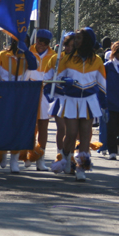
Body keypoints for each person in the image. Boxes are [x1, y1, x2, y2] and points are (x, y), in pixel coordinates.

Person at [51, 28, 106, 182]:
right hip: (70, 100)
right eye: (75, 38)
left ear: (87, 40)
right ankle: (65, 158)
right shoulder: (66, 59)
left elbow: (102, 84)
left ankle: (81, 168)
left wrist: (104, 104)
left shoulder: (97, 61)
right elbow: (56, 80)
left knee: (85, 135)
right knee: (70, 133)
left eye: (79, 38)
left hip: (88, 101)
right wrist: (64, 84)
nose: (75, 41)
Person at [0, 37, 37, 173]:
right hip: (3, 98)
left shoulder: (28, 57)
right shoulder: (2, 55)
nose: (22, 44)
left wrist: (26, 52)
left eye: (25, 42)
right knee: (3, 127)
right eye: (19, 41)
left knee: (17, 128)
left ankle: (14, 159)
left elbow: (34, 66)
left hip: (20, 98)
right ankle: (3, 154)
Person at [24, 30, 57, 171]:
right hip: (29, 92)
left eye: (45, 42)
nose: (41, 44)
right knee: (30, 127)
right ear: (35, 40)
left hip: (45, 93)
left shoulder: (54, 56)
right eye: (39, 41)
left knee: (43, 125)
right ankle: (27, 154)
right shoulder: (28, 52)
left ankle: (40, 158)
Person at [45, 32, 75, 164]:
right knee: (61, 127)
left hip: (74, 98)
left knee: (72, 131)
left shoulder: (79, 59)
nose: (68, 48)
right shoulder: (56, 58)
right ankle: (60, 153)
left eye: (72, 45)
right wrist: (53, 87)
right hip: (59, 97)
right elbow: (47, 78)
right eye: (66, 45)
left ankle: (70, 154)